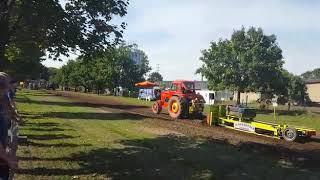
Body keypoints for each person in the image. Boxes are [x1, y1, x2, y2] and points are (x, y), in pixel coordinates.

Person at [0, 73, 18, 180]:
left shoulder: (2, 99)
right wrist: (7, 157)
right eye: (5, 87)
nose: (7, 91)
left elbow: (8, 108)